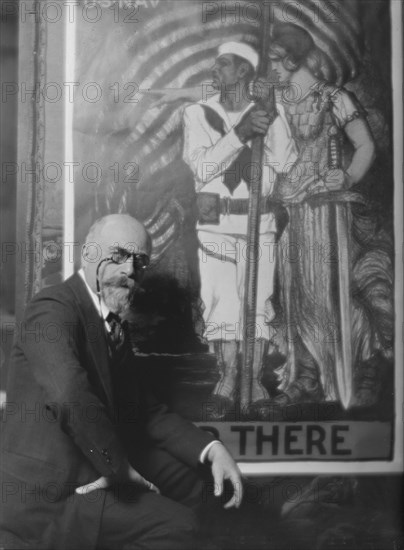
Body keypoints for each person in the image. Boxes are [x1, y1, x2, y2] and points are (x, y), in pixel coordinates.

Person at [0, 214, 243, 550]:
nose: (130, 270)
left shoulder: (113, 324)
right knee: (179, 528)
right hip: (52, 492)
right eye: (117, 255)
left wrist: (212, 449)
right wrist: (118, 470)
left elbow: (146, 411)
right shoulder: (51, 309)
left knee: (200, 488)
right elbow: (70, 394)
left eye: (139, 261)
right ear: (87, 254)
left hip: (95, 465)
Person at [267, 24, 393, 406]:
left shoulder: (334, 97)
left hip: (327, 209)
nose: (269, 67)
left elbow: (365, 145)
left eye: (274, 59)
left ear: (291, 59)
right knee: (294, 295)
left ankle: (362, 363)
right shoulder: (275, 99)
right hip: (292, 210)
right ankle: (304, 374)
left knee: (327, 293)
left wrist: (348, 173)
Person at [182, 41, 298, 419]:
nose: (215, 70)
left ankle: (253, 380)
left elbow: (285, 162)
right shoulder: (197, 114)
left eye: (224, 64)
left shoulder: (267, 113)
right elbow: (202, 167)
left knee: (257, 302)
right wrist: (240, 134)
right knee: (222, 302)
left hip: (258, 221)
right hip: (215, 221)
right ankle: (227, 379)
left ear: (245, 71)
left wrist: (273, 113)